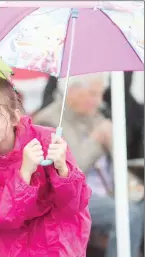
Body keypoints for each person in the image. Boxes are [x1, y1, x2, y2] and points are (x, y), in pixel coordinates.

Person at [0, 76, 92, 257]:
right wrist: (24, 174)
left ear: (15, 116)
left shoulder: (47, 140)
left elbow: (75, 205)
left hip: (60, 246)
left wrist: (63, 170)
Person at [33, 72, 144, 257]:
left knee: (135, 208)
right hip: (73, 197)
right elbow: (68, 172)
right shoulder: (49, 121)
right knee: (127, 214)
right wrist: (95, 140)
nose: (99, 100)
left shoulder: (94, 115)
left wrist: (114, 139)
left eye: (101, 93)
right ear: (73, 91)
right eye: (93, 94)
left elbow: (118, 160)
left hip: (109, 191)